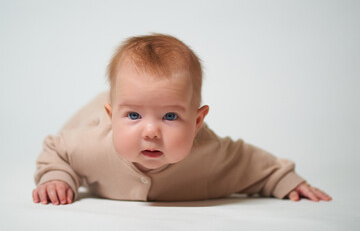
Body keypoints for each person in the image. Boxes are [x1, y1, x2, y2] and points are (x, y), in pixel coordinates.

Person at [32, 33, 332, 205]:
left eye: (171, 116)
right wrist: (56, 177)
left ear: (198, 122)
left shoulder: (210, 153)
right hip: (92, 115)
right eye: (134, 115)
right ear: (114, 118)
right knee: (91, 118)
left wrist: (284, 180)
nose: (150, 132)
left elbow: (255, 165)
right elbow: (56, 150)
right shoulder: (91, 144)